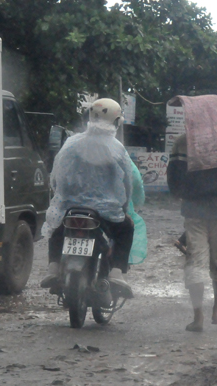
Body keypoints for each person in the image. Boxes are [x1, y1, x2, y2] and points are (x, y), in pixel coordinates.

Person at [40, 98, 135, 295]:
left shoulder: (72, 142)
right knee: (126, 228)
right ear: (116, 122)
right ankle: (116, 272)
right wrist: (124, 204)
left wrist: (58, 196)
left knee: (57, 226)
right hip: (105, 209)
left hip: (69, 206)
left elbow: (56, 174)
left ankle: (53, 267)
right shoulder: (117, 147)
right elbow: (127, 180)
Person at [168, 133, 217, 332]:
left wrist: (182, 194)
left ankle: (198, 317)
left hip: (193, 209)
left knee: (195, 262)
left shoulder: (181, 142)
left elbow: (173, 174)